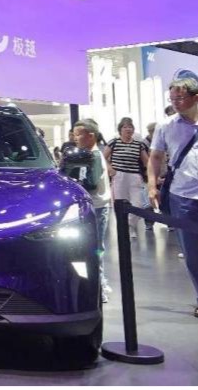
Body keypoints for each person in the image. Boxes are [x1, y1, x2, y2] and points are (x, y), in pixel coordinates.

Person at [147, 77, 198, 317]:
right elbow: (155, 157)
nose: (175, 102)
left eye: (180, 98)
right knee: (192, 252)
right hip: (183, 196)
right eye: (172, 99)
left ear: (196, 98)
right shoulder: (166, 126)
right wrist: (152, 186)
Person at [71, 120, 114, 302]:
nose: (75, 138)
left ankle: (99, 287)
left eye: (78, 134)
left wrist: (75, 183)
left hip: (97, 207)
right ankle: (100, 282)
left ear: (90, 136)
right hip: (93, 206)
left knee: (95, 248)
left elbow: (92, 183)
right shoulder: (89, 154)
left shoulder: (94, 156)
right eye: (74, 135)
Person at [103, 117, 150, 239]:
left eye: (130, 127)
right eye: (125, 127)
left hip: (134, 176)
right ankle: (125, 228)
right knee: (120, 204)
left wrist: (152, 177)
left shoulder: (139, 145)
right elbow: (102, 158)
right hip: (119, 176)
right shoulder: (114, 142)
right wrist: (109, 168)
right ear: (120, 130)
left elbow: (147, 162)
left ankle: (129, 225)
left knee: (138, 204)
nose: (128, 129)